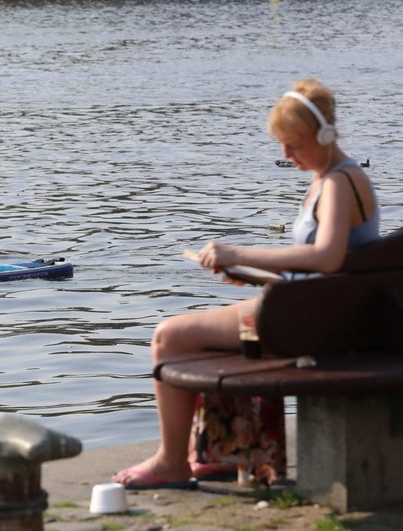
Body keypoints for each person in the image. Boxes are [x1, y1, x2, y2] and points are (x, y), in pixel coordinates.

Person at [113, 78, 379, 489]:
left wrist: (238, 254)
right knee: (203, 334)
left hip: (309, 323)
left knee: (169, 337)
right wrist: (254, 274)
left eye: (294, 144)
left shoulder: (338, 184)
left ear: (324, 135)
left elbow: (326, 257)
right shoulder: (335, 177)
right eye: (281, 144)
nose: (286, 154)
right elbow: (325, 266)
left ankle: (171, 462)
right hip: (318, 311)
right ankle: (221, 453)